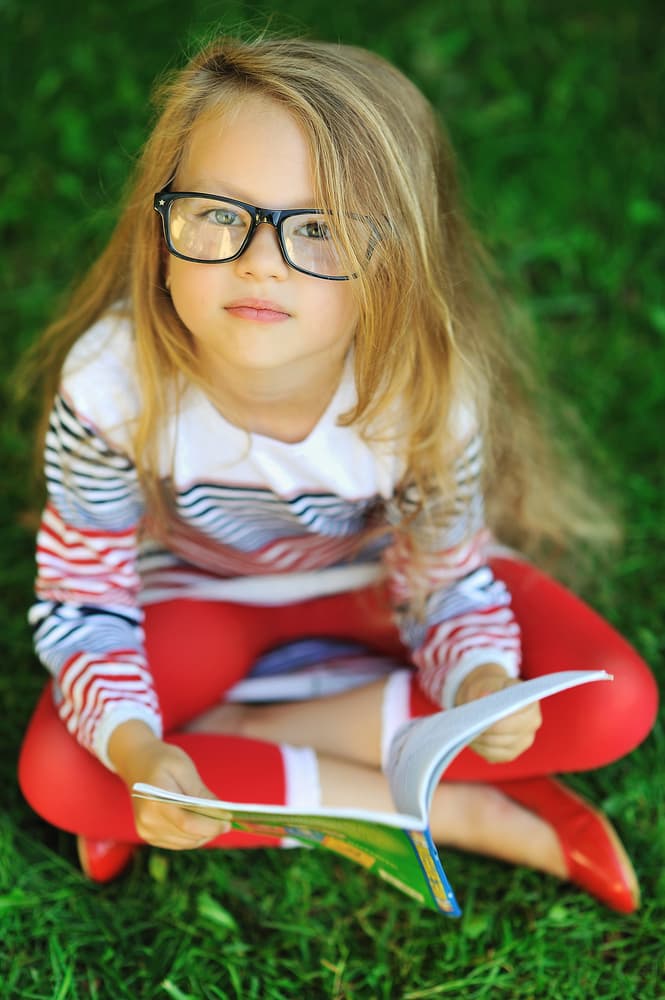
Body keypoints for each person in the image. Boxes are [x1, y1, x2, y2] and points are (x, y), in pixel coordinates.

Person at [18, 34, 657, 912]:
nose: (260, 259)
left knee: (614, 701)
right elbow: (87, 593)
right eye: (217, 212)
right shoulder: (112, 385)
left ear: (396, 257)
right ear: (159, 223)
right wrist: (134, 749)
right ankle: (462, 812)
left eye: (317, 227)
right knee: (63, 774)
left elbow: (445, 580)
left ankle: (243, 736)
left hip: (374, 590)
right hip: (203, 600)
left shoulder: (426, 391)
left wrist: (481, 687)